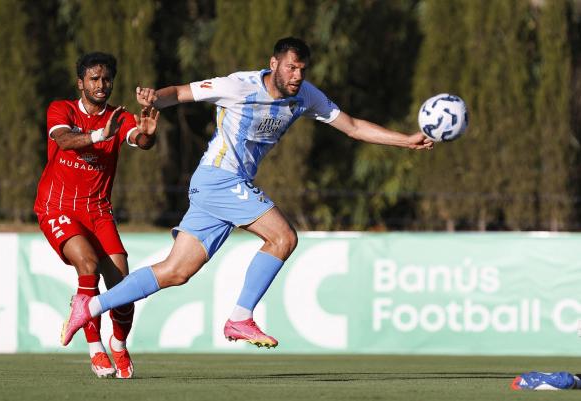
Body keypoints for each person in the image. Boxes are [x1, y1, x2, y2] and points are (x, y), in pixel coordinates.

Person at [60, 37, 432, 350]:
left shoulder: (305, 96)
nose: (297, 76)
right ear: (274, 64)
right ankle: (240, 317)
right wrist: (155, 97)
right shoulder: (240, 85)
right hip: (220, 178)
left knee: (176, 271)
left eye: (302, 70)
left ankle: (89, 307)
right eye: (291, 68)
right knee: (283, 237)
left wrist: (406, 141)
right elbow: (184, 93)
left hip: (219, 187)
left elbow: (351, 126)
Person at [34, 51, 159, 379]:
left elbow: (140, 141)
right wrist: (99, 135)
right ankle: (95, 350)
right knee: (87, 265)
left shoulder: (120, 117)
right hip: (57, 206)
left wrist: (147, 133)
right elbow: (63, 140)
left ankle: (118, 344)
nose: (102, 85)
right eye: (94, 79)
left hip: (98, 210)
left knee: (123, 288)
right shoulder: (62, 109)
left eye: (106, 79)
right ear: (81, 83)